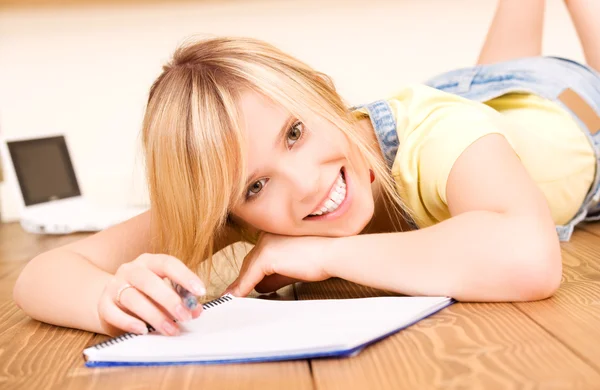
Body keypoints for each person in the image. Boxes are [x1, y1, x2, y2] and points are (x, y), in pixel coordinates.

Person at [12, 0, 600, 337]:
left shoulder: (434, 135)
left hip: (569, 112)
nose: (307, 182)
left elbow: (528, 257)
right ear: (229, 208)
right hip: (484, 104)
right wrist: (105, 296)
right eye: (256, 185)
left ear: (324, 94)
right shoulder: (238, 205)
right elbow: (40, 276)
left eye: (294, 132)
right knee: (494, 82)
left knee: (515, 90)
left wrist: (320, 253)